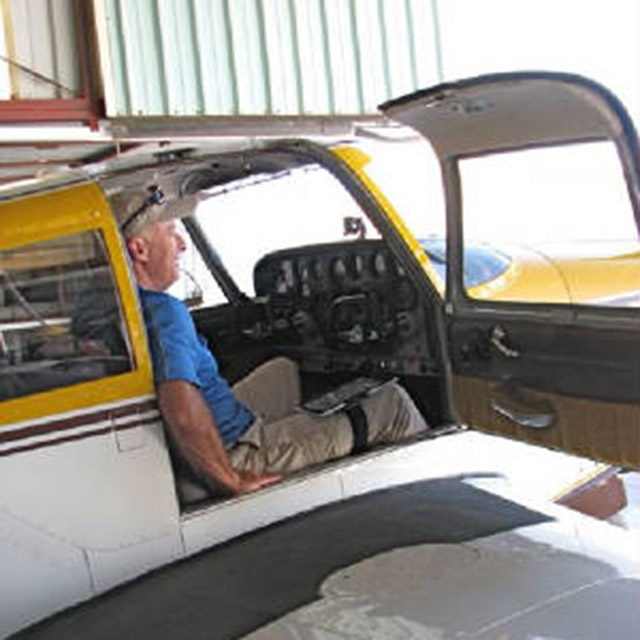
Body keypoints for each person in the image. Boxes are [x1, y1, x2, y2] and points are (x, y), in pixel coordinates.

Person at [112, 183, 428, 497]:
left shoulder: (114, 309)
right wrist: (231, 480)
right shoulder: (164, 313)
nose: (181, 245)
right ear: (139, 249)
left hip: (217, 424)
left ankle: (311, 442)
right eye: (170, 232)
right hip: (234, 450)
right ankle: (427, 505)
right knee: (394, 404)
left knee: (284, 368)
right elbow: (181, 413)